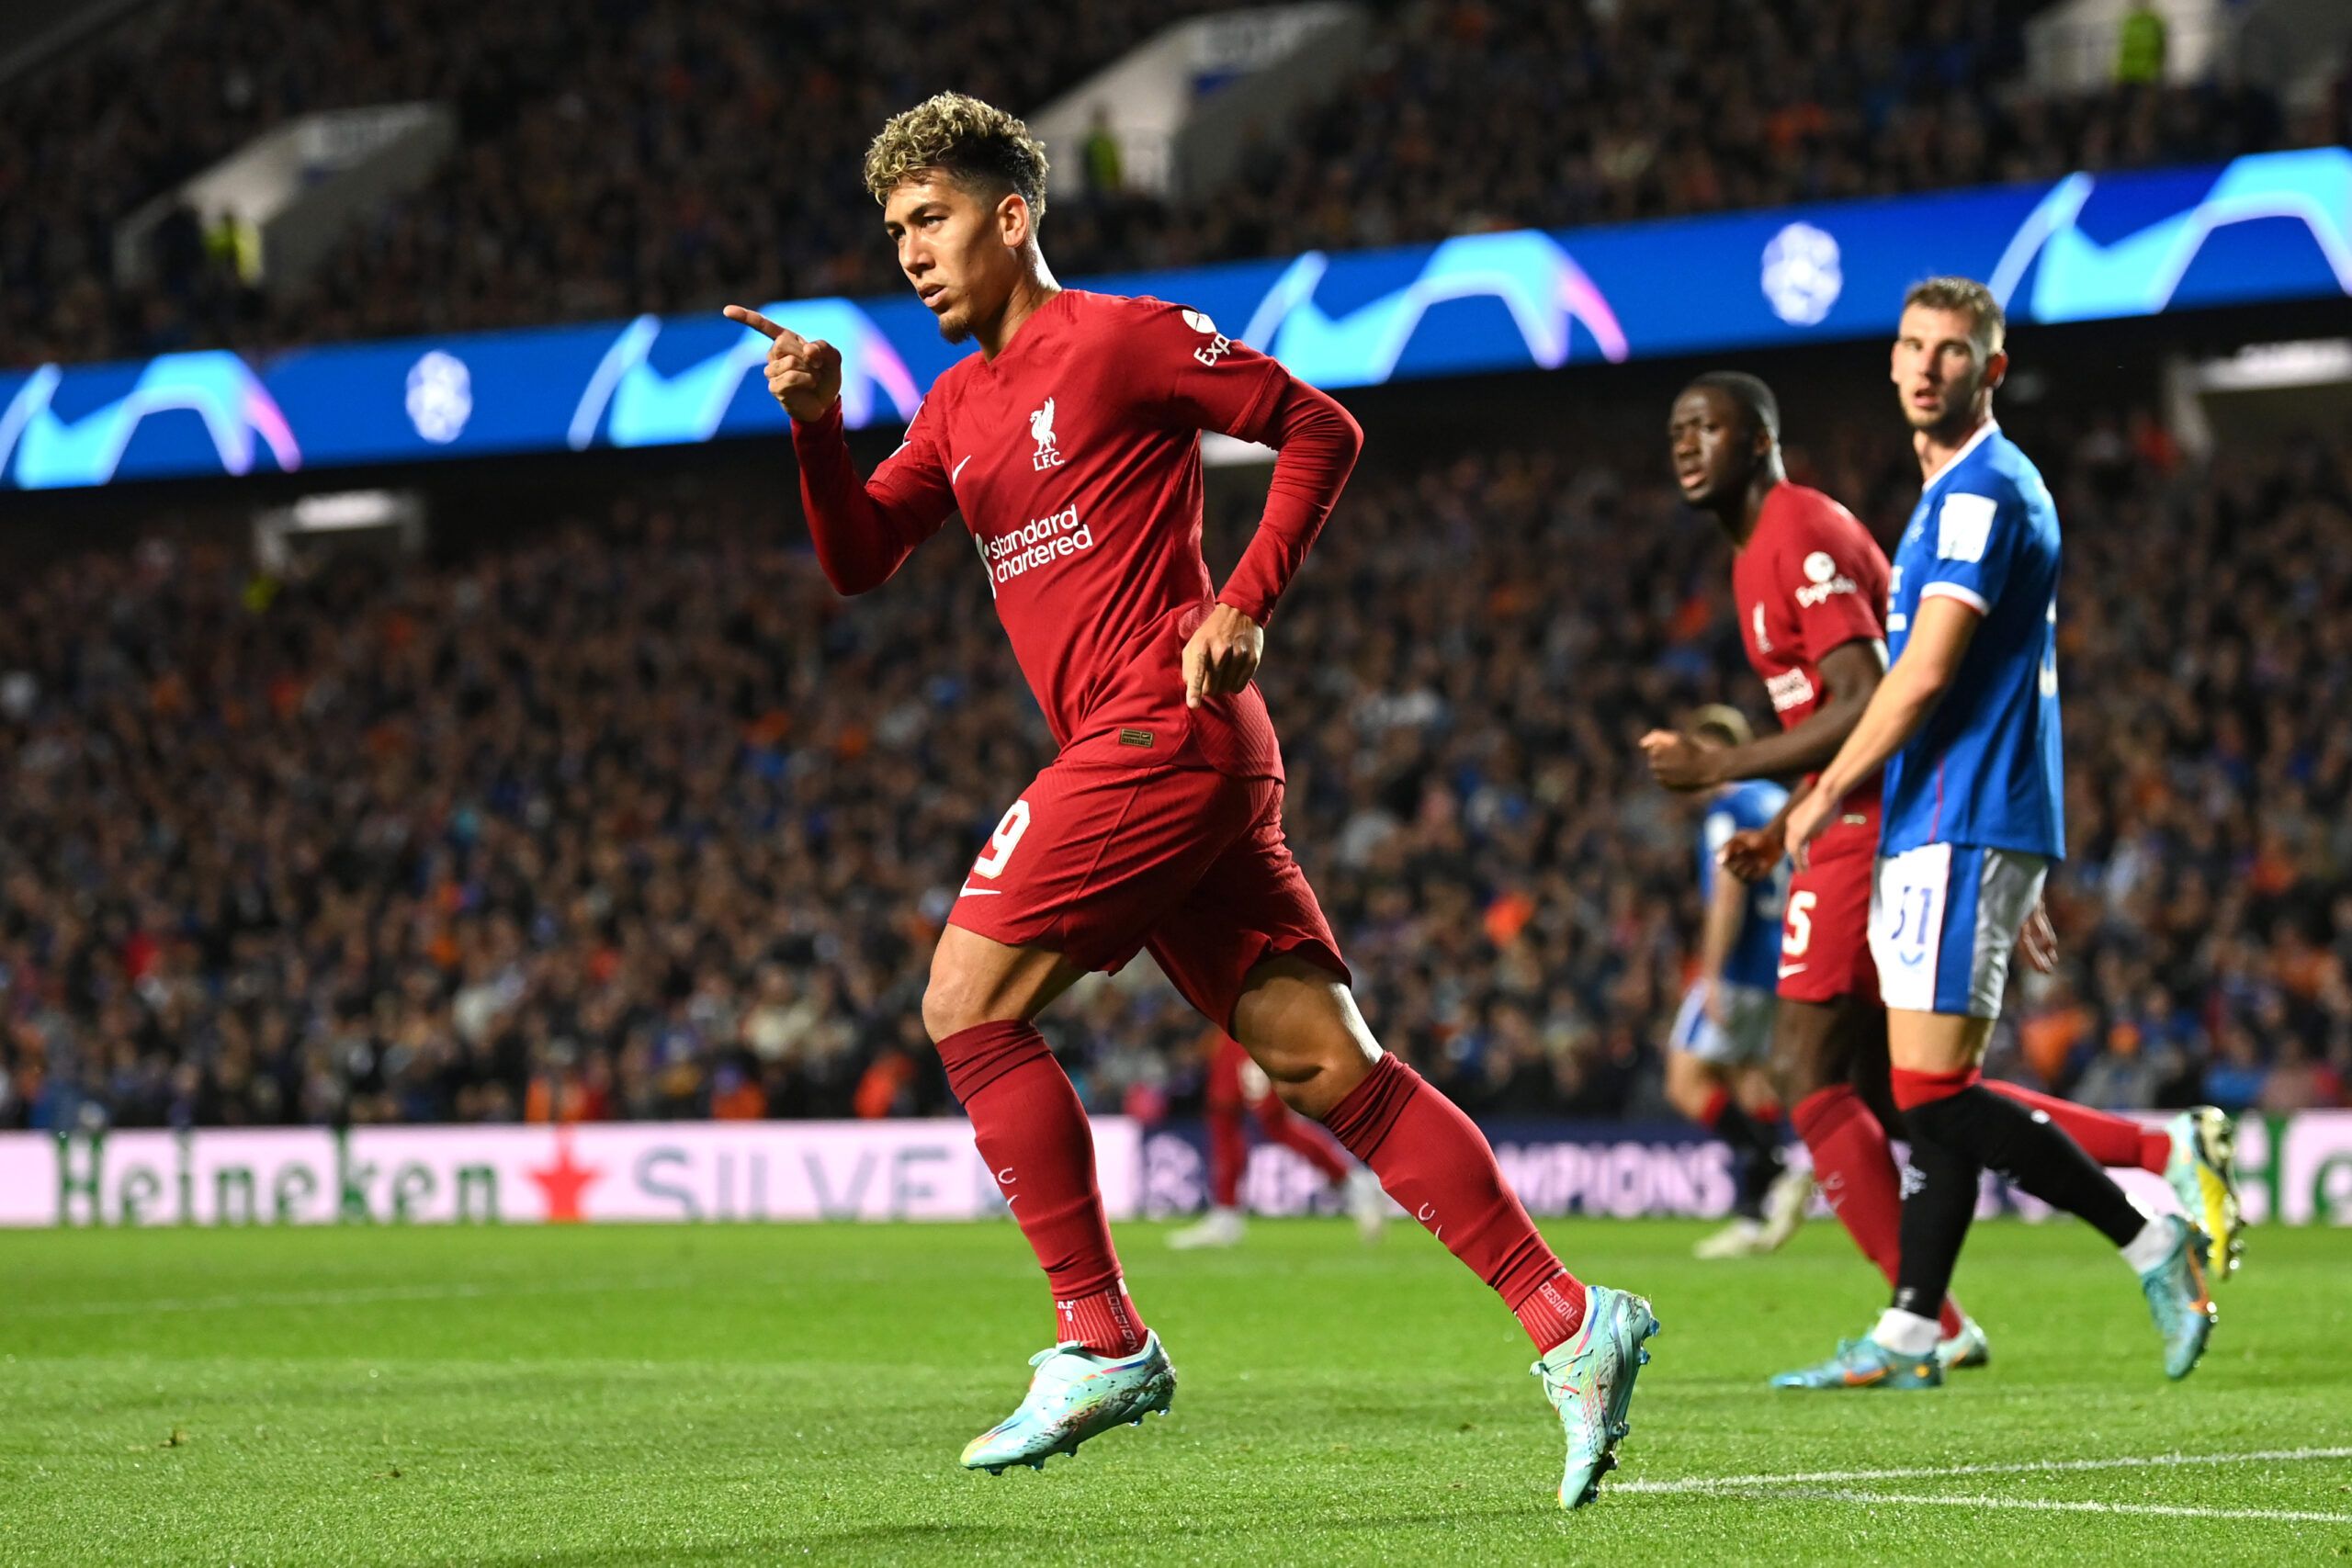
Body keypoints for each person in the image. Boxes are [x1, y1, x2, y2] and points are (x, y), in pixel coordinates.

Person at [726, 92, 1657, 1508]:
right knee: (1324, 1060)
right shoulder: (954, 405)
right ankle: (1570, 1318)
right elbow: (861, 557)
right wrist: (814, 432)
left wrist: (1243, 597)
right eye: (895, 231)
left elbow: (1317, 427)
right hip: (1174, 760)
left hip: (1166, 730)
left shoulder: (1121, 339)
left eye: (932, 220)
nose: (910, 254)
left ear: (1011, 213)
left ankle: (1100, 1334)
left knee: (966, 1003)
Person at [1645, 371, 2238, 1378]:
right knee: (1908, 1090)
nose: (1686, 446)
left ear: (1761, 440)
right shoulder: (1759, 554)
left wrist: (1734, 772)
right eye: (1676, 431)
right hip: (1877, 816)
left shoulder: (1801, 533)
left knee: (1815, 1072)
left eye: (1709, 427)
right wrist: (1790, 810)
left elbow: (1870, 692)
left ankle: (1943, 1312)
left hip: (1887, 822)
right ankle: (2088, 1206)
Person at [1657, 707, 1811, 1260]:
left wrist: (1713, 974)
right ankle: (1753, 1215)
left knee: (1685, 1080)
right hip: (1784, 960)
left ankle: (1772, 1164)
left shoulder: (1727, 812)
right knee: (1750, 1081)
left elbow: (1728, 893)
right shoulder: (1774, 799)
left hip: (1742, 965)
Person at [1167, 1029, 1387, 1249]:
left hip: (1253, 1021)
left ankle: (1353, 1183)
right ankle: (1226, 1213)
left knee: (1272, 1119)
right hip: (1234, 1024)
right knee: (1224, 1112)